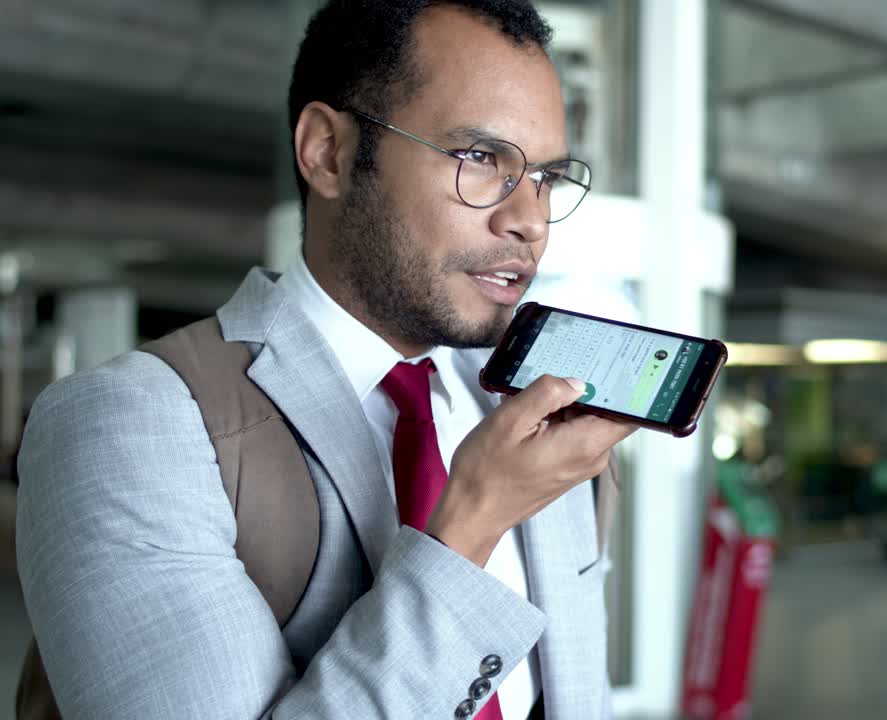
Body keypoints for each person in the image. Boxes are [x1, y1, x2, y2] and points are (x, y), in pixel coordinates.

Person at [15, 2, 634, 718]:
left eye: (547, 178)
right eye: (479, 159)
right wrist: (473, 523)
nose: (528, 219)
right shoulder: (128, 425)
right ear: (328, 153)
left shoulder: (532, 407)